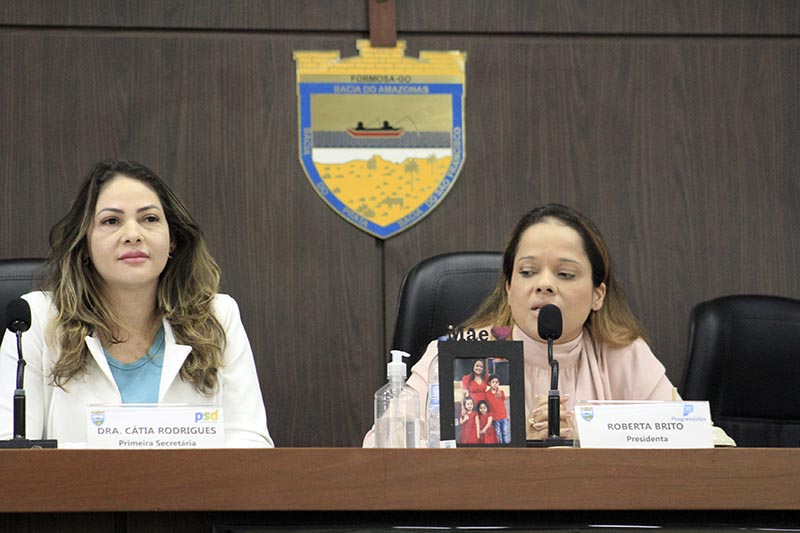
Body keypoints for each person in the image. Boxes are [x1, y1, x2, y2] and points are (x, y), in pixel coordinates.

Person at [364, 203, 734, 446]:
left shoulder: (623, 355)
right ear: (509, 289)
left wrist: (589, 438)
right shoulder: (458, 354)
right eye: (527, 272)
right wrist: (511, 442)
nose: (544, 284)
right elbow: (382, 446)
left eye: (565, 274)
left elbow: (709, 441)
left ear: (598, 295)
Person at [0, 160, 274, 448]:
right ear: (84, 246)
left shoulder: (217, 316)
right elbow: (9, 450)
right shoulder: (35, 321)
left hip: (195, 482)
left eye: (150, 219)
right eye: (111, 221)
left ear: (172, 240)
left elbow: (250, 441)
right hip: (77, 483)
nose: (133, 234)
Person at [485, 374, 510, 444]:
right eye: (493, 382)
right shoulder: (487, 394)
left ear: (499, 383)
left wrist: (507, 414)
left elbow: (504, 404)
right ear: (489, 383)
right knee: (497, 434)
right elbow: (487, 407)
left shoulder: (501, 392)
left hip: (503, 416)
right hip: (495, 418)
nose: (495, 384)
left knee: (504, 432)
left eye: (496, 382)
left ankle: (506, 446)